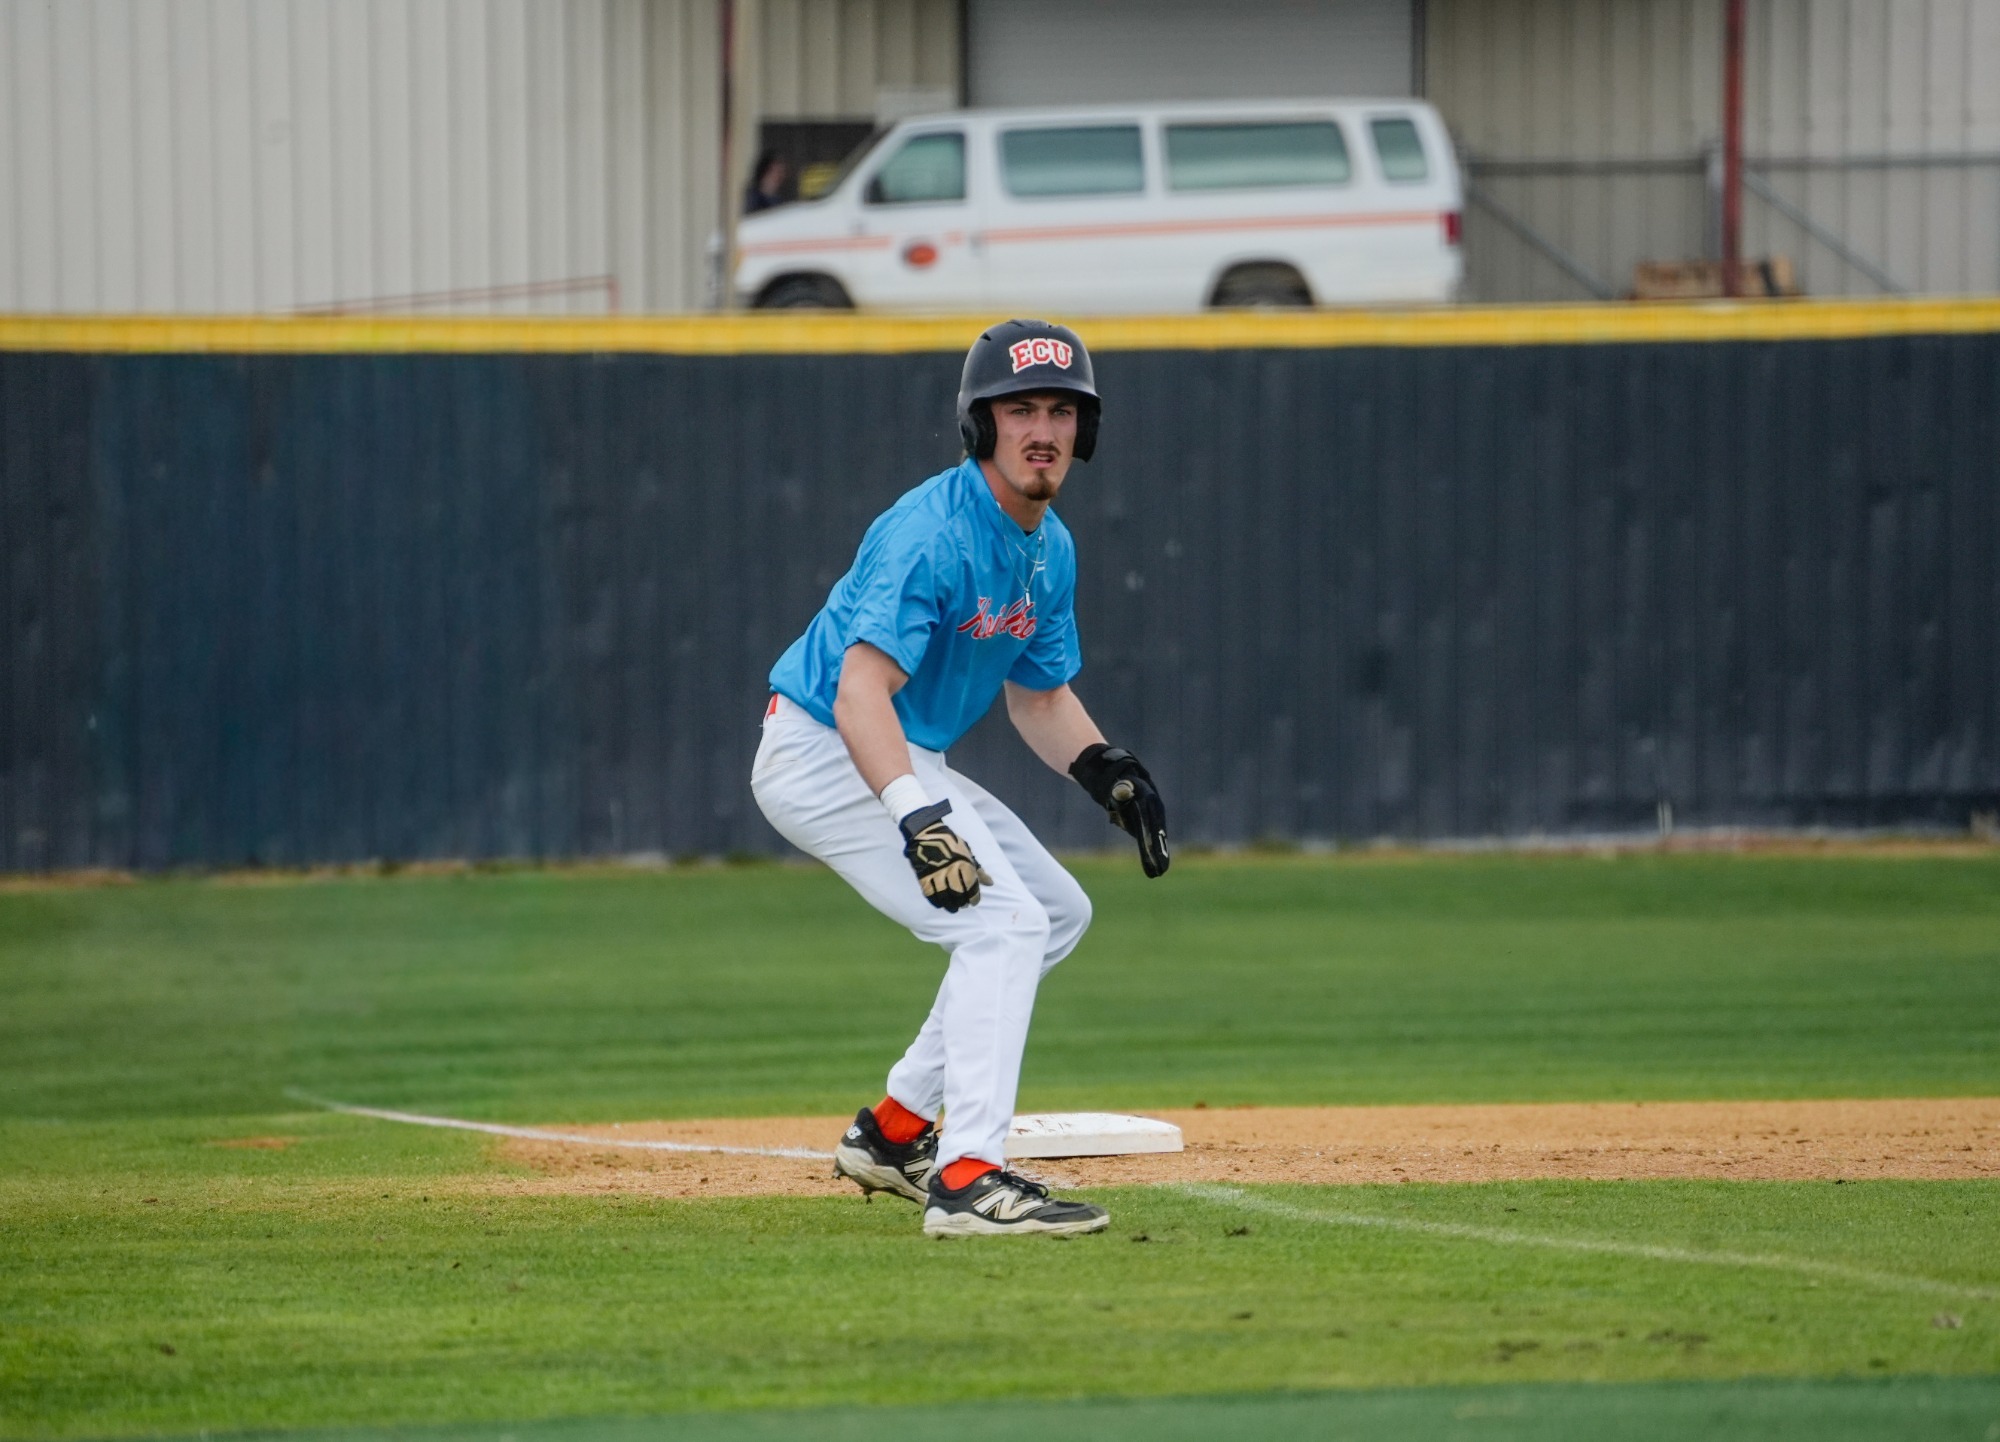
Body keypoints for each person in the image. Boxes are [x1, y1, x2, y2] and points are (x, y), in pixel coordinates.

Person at [751, 320, 1170, 1238]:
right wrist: (918, 818)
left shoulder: (1047, 547)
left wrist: (1109, 771)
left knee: (1055, 914)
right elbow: (862, 693)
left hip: (890, 747)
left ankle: (896, 1132)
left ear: (1084, 434)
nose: (1043, 429)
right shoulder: (930, 534)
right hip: (827, 748)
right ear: (980, 426)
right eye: (1019, 408)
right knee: (1002, 923)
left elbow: (1039, 698)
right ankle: (967, 1177)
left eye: (1062, 410)